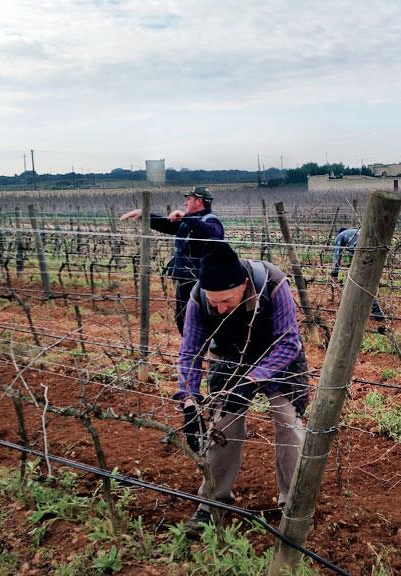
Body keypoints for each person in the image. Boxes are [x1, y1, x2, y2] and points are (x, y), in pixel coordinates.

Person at [175, 242, 310, 528]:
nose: (221, 309)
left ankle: (294, 504)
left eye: (227, 301)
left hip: (278, 358)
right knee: (223, 426)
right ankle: (214, 502)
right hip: (230, 358)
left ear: (245, 285)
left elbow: (288, 342)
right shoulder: (199, 298)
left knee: (289, 423)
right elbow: (190, 351)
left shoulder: (273, 283)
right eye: (215, 304)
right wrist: (189, 402)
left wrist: (253, 380)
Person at [120, 186, 224, 334]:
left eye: (189, 199)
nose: (185, 203)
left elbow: (212, 233)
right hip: (185, 280)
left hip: (202, 283)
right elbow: (166, 224)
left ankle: (204, 351)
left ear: (199, 202)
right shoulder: (189, 221)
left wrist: (185, 217)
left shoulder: (211, 221)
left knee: (203, 320)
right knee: (182, 318)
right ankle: (191, 351)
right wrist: (144, 215)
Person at [329, 227, 384, 320]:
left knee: (359, 283)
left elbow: (337, 255)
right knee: (368, 282)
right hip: (376, 249)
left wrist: (334, 273)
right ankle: (363, 308)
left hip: (364, 253)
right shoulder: (354, 232)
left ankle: (376, 312)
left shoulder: (340, 236)